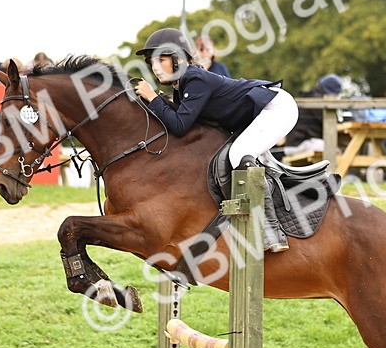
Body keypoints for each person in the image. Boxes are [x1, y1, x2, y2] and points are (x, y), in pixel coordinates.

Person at [132, 27, 297, 251]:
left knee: (239, 154)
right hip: (260, 112)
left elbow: (179, 126)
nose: (155, 67)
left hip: (275, 108)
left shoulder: (195, 78)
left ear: (178, 59)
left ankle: (270, 230)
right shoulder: (184, 84)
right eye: (152, 62)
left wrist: (153, 97)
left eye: (161, 60)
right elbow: (181, 121)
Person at [283, 73, 342, 153]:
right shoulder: (317, 102)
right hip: (300, 144)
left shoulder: (309, 98)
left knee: (335, 149)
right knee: (334, 151)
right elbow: (331, 124)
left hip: (295, 144)